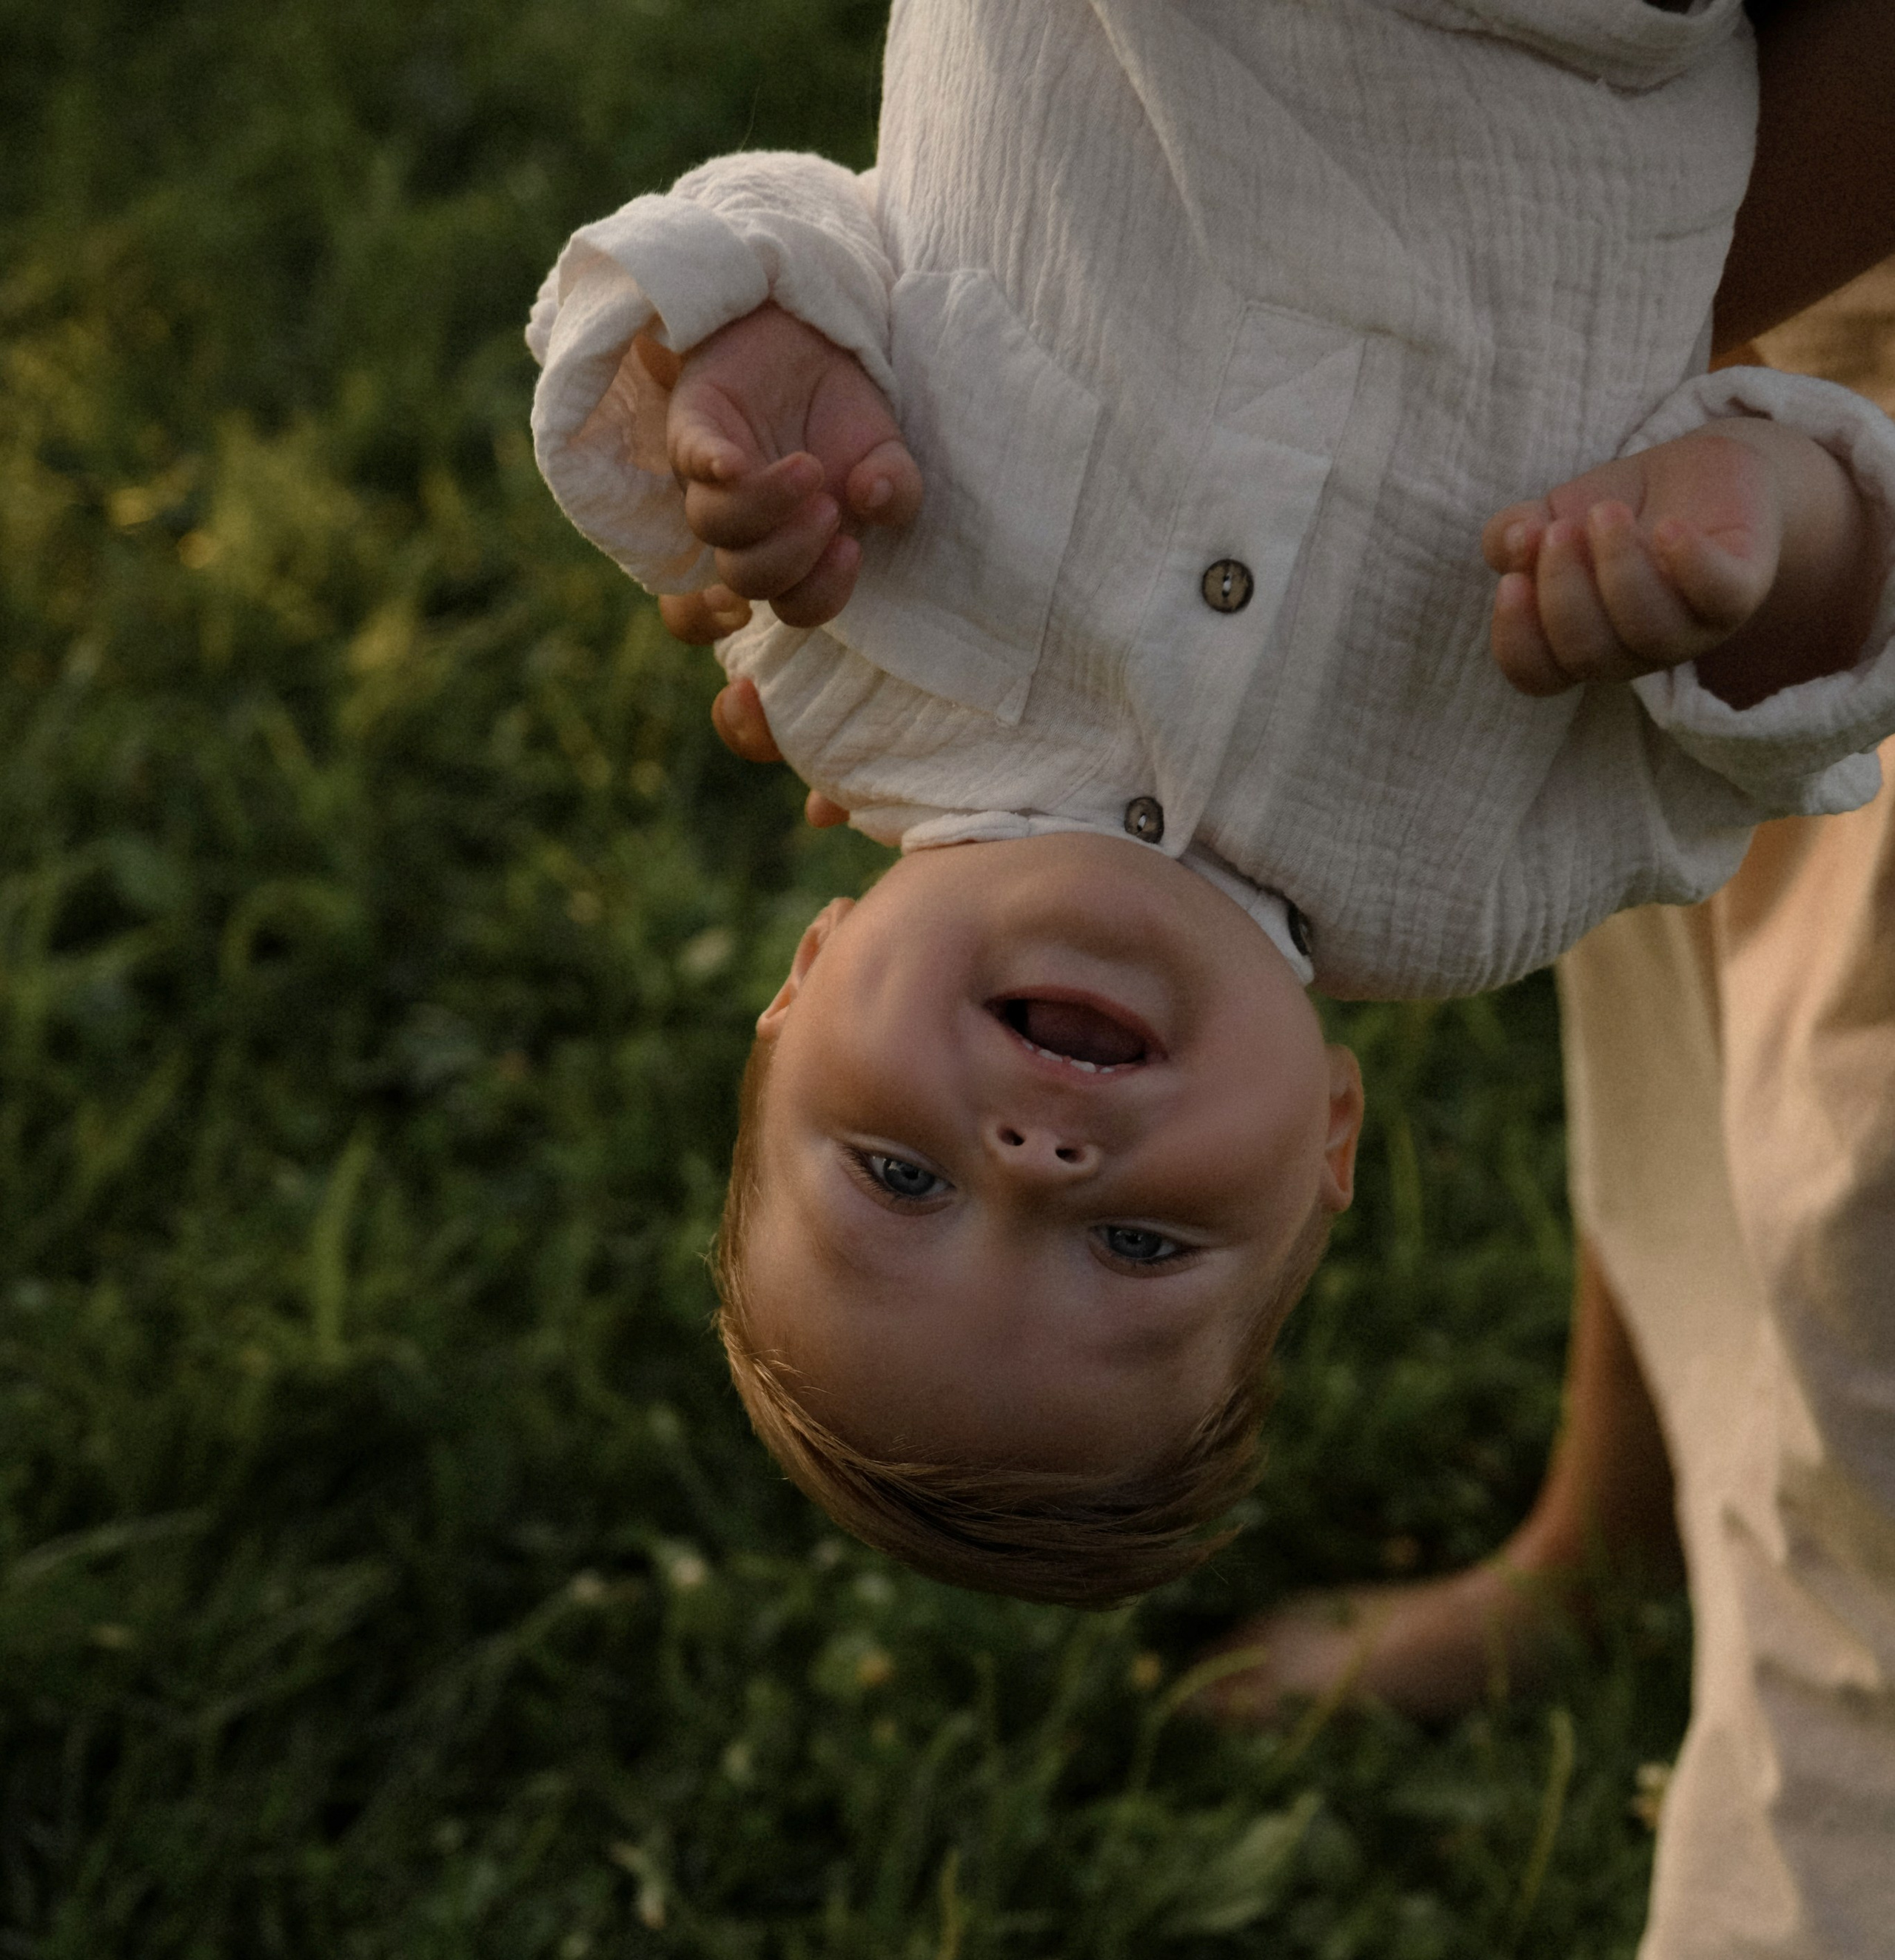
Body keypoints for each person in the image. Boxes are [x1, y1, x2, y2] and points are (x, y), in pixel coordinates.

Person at [526, 0, 1895, 1606]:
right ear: (1326, 1139)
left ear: (805, 983)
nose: (1037, 1161)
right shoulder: (1473, 883)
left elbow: (810, 224)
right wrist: (1758, 541)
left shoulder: (834, 648)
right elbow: (1781, 727)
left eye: (899, 1178)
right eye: (1138, 1250)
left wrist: (754, 361)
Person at [1215, 234, 1895, 1960]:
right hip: (1702, 285)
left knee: (1870, 1274)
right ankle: (1612, 1530)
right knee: (1668, 886)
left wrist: (1527, 192)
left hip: (1731, 215)